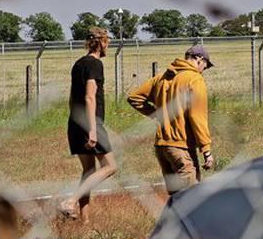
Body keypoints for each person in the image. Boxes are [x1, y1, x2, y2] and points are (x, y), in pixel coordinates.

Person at [127, 44, 215, 195]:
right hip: (181, 147)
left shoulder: (162, 77)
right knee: (192, 197)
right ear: (199, 59)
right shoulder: (195, 79)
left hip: (162, 148)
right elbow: (197, 117)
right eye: (205, 66)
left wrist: (158, 114)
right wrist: (206, 150)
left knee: (176, 197)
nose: (203, 70)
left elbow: (134, 97)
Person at [59, 27, 117, 221]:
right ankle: (70, 201)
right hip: (90, 123)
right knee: (110, 166)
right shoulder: (95, 64)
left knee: (89, 171)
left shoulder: (78, 64)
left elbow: (71, 97)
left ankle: (85, 221)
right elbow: (90, 97)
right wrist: (92, 129)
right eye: (107, 42)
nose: (108, 46)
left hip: (75, 122)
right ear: (101, 42)